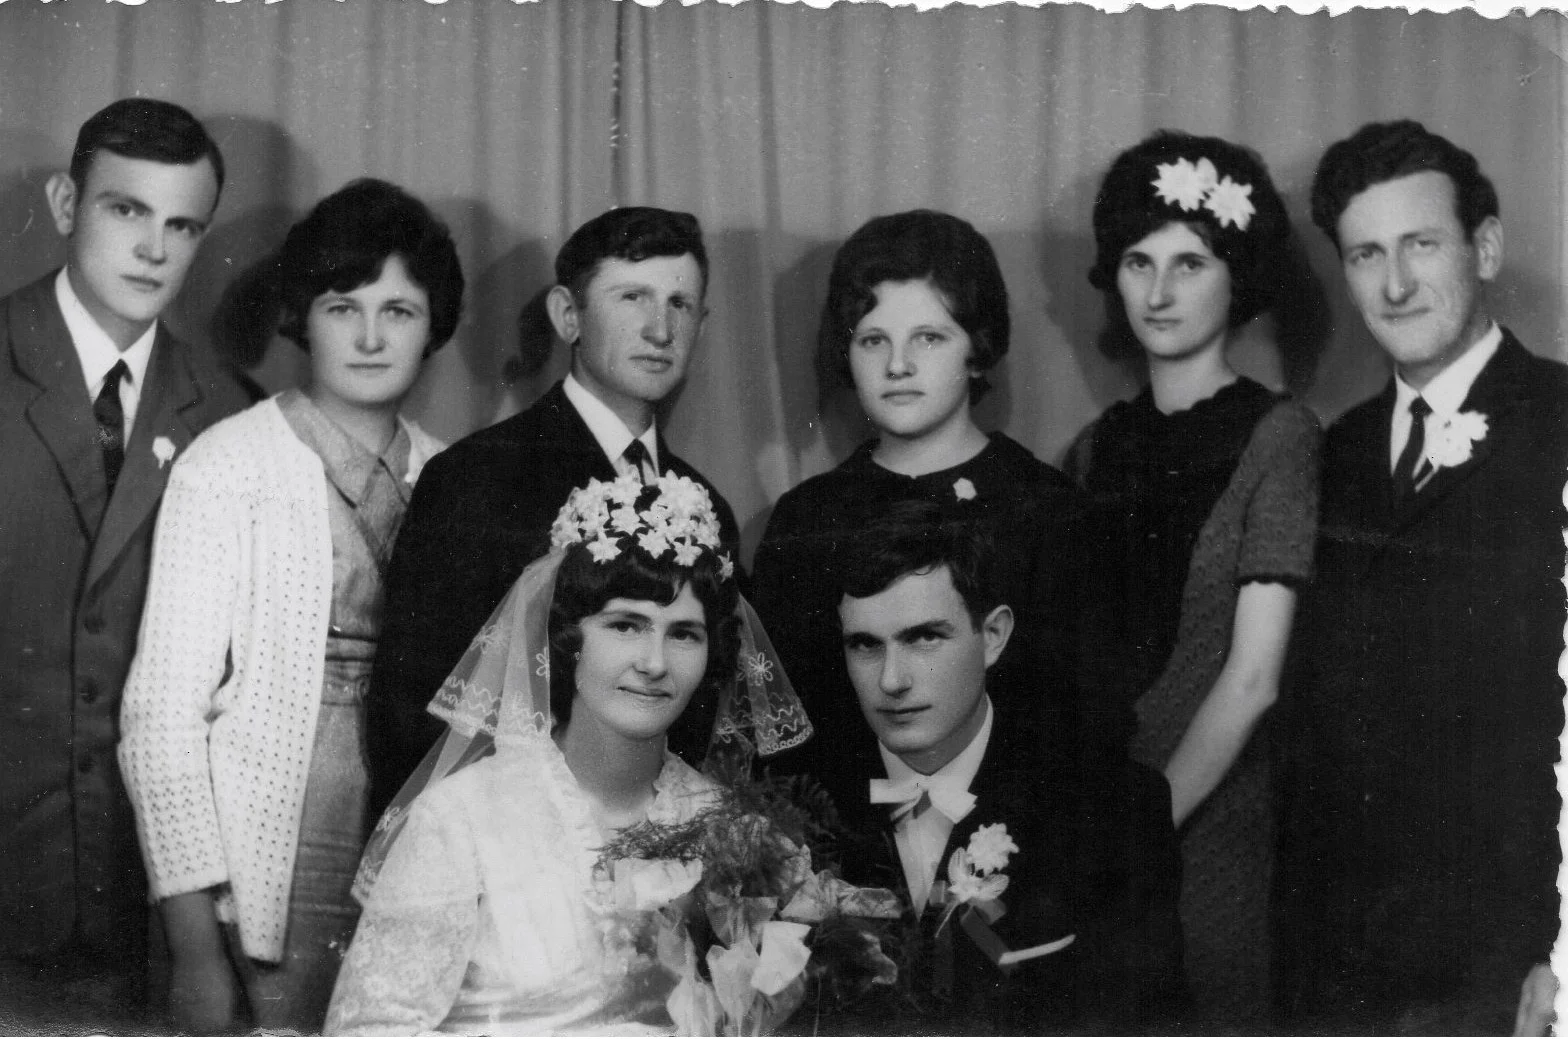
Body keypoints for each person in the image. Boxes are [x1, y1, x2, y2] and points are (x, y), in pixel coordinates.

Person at [117, 179, 461, 1033]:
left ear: (433, 326)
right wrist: (195, 950)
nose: (371, 337)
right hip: (270, 835)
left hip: (419, 823)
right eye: (344, 308)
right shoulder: (227, 463)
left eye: (399, 311)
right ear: (304, 316)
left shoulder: (456, 474)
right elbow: (161, 718)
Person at [325, 473, 808, 1035]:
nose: (654, 663)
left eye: (684, 634)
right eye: (625, 626)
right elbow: (368, 1028)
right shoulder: (461, 818)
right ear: (566, 638)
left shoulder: (734, 831)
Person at [1277, 120, 1567, 1036]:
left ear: (1486, 248)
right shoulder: (1335, 451)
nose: (1395, 284)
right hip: (1342, 959)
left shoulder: (1563, 417)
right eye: (1366, 254)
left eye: (1421, 245)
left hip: (1511, 952)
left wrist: (1561, 952)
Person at [0, 97, 251, 1028]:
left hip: (145, 899)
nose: (154, 249)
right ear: (66, 204)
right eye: (126, 209)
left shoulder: (228, 407)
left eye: (182, 225)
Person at [367, 206, 744, 816]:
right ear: (569, 316)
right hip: (509, 838)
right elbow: (413, 713)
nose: (660, 330)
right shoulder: (475, 477)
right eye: (632, 298)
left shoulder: (706, 507)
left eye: (680, 304)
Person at [1068, 130, 1320, 1026]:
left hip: (1211, 825)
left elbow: (1252, 680)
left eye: (1190, 263)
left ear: (1237, 276)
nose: (1159, 292)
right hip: (1098, 819)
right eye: (1139, 262)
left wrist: (1142, 830)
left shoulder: (1281, 435)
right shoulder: (1095, 448)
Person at [806, 499, 1183, 1034]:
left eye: (924, 638)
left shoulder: (1115, 807)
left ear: (993, 636)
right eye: (865, 645)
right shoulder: (795, 808)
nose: (892, 680)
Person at [752, 210, 1076, 777]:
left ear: (976, 350)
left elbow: (1074, 721)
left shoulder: (1048, 507)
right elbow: (785, 736)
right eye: (874, 340)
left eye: (929, 337)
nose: (898, 365)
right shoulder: (806, 519)